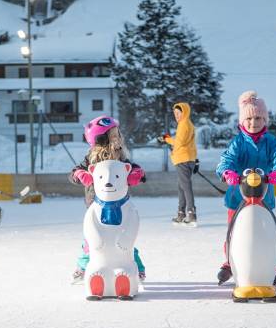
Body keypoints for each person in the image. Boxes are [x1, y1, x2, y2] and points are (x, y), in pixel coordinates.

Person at [215, 91, 276, 286]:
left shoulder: (271, 141)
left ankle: (272, 267)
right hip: (237, 197)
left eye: (258, 118)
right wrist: (227, 173)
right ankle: (231, 262)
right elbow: (226, 160)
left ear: (264, 119)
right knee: (234, 232)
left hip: (263, 195)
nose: (253, 122)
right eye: (249, 118)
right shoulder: (238, 142)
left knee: (268, 234)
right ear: (242, 120)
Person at [69, 116, 147, 282]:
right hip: (95, 206)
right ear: (101, 138)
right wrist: (80, 174)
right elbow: (74, 172)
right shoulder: (90, 157)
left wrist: (137, 174)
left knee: (125, 238)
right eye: (113, 134)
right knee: (91, 240)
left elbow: (134, 168)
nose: (118, 137)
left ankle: (137, 267)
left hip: (119, 206)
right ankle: (83, 267)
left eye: (117, 133)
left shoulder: (119, 156)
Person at [160, 102, 198, 226]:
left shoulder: (184, 124)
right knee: (181, 187)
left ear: (184, 112)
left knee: (185, 187)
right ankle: (181, 214)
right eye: (175, 113)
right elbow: (190, 144)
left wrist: (166, 139)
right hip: (188, 159)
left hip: (183, 160)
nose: (176, 115)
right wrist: (195, 160)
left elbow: (179, 142)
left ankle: (191, 214)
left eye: (178, 113)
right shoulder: (188, 124)